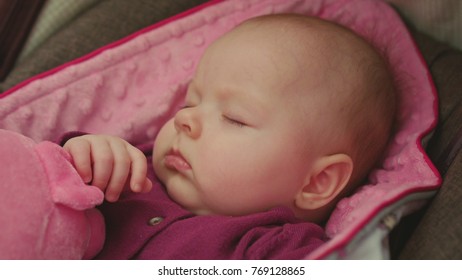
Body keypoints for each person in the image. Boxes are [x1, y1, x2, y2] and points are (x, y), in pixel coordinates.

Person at [62, 14, 396, 259]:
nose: (184, 119)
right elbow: (42, 189)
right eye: (191, 101)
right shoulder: (135, 169)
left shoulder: (273, 252)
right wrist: (87, 155)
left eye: (234, 118)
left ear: (317, 182)